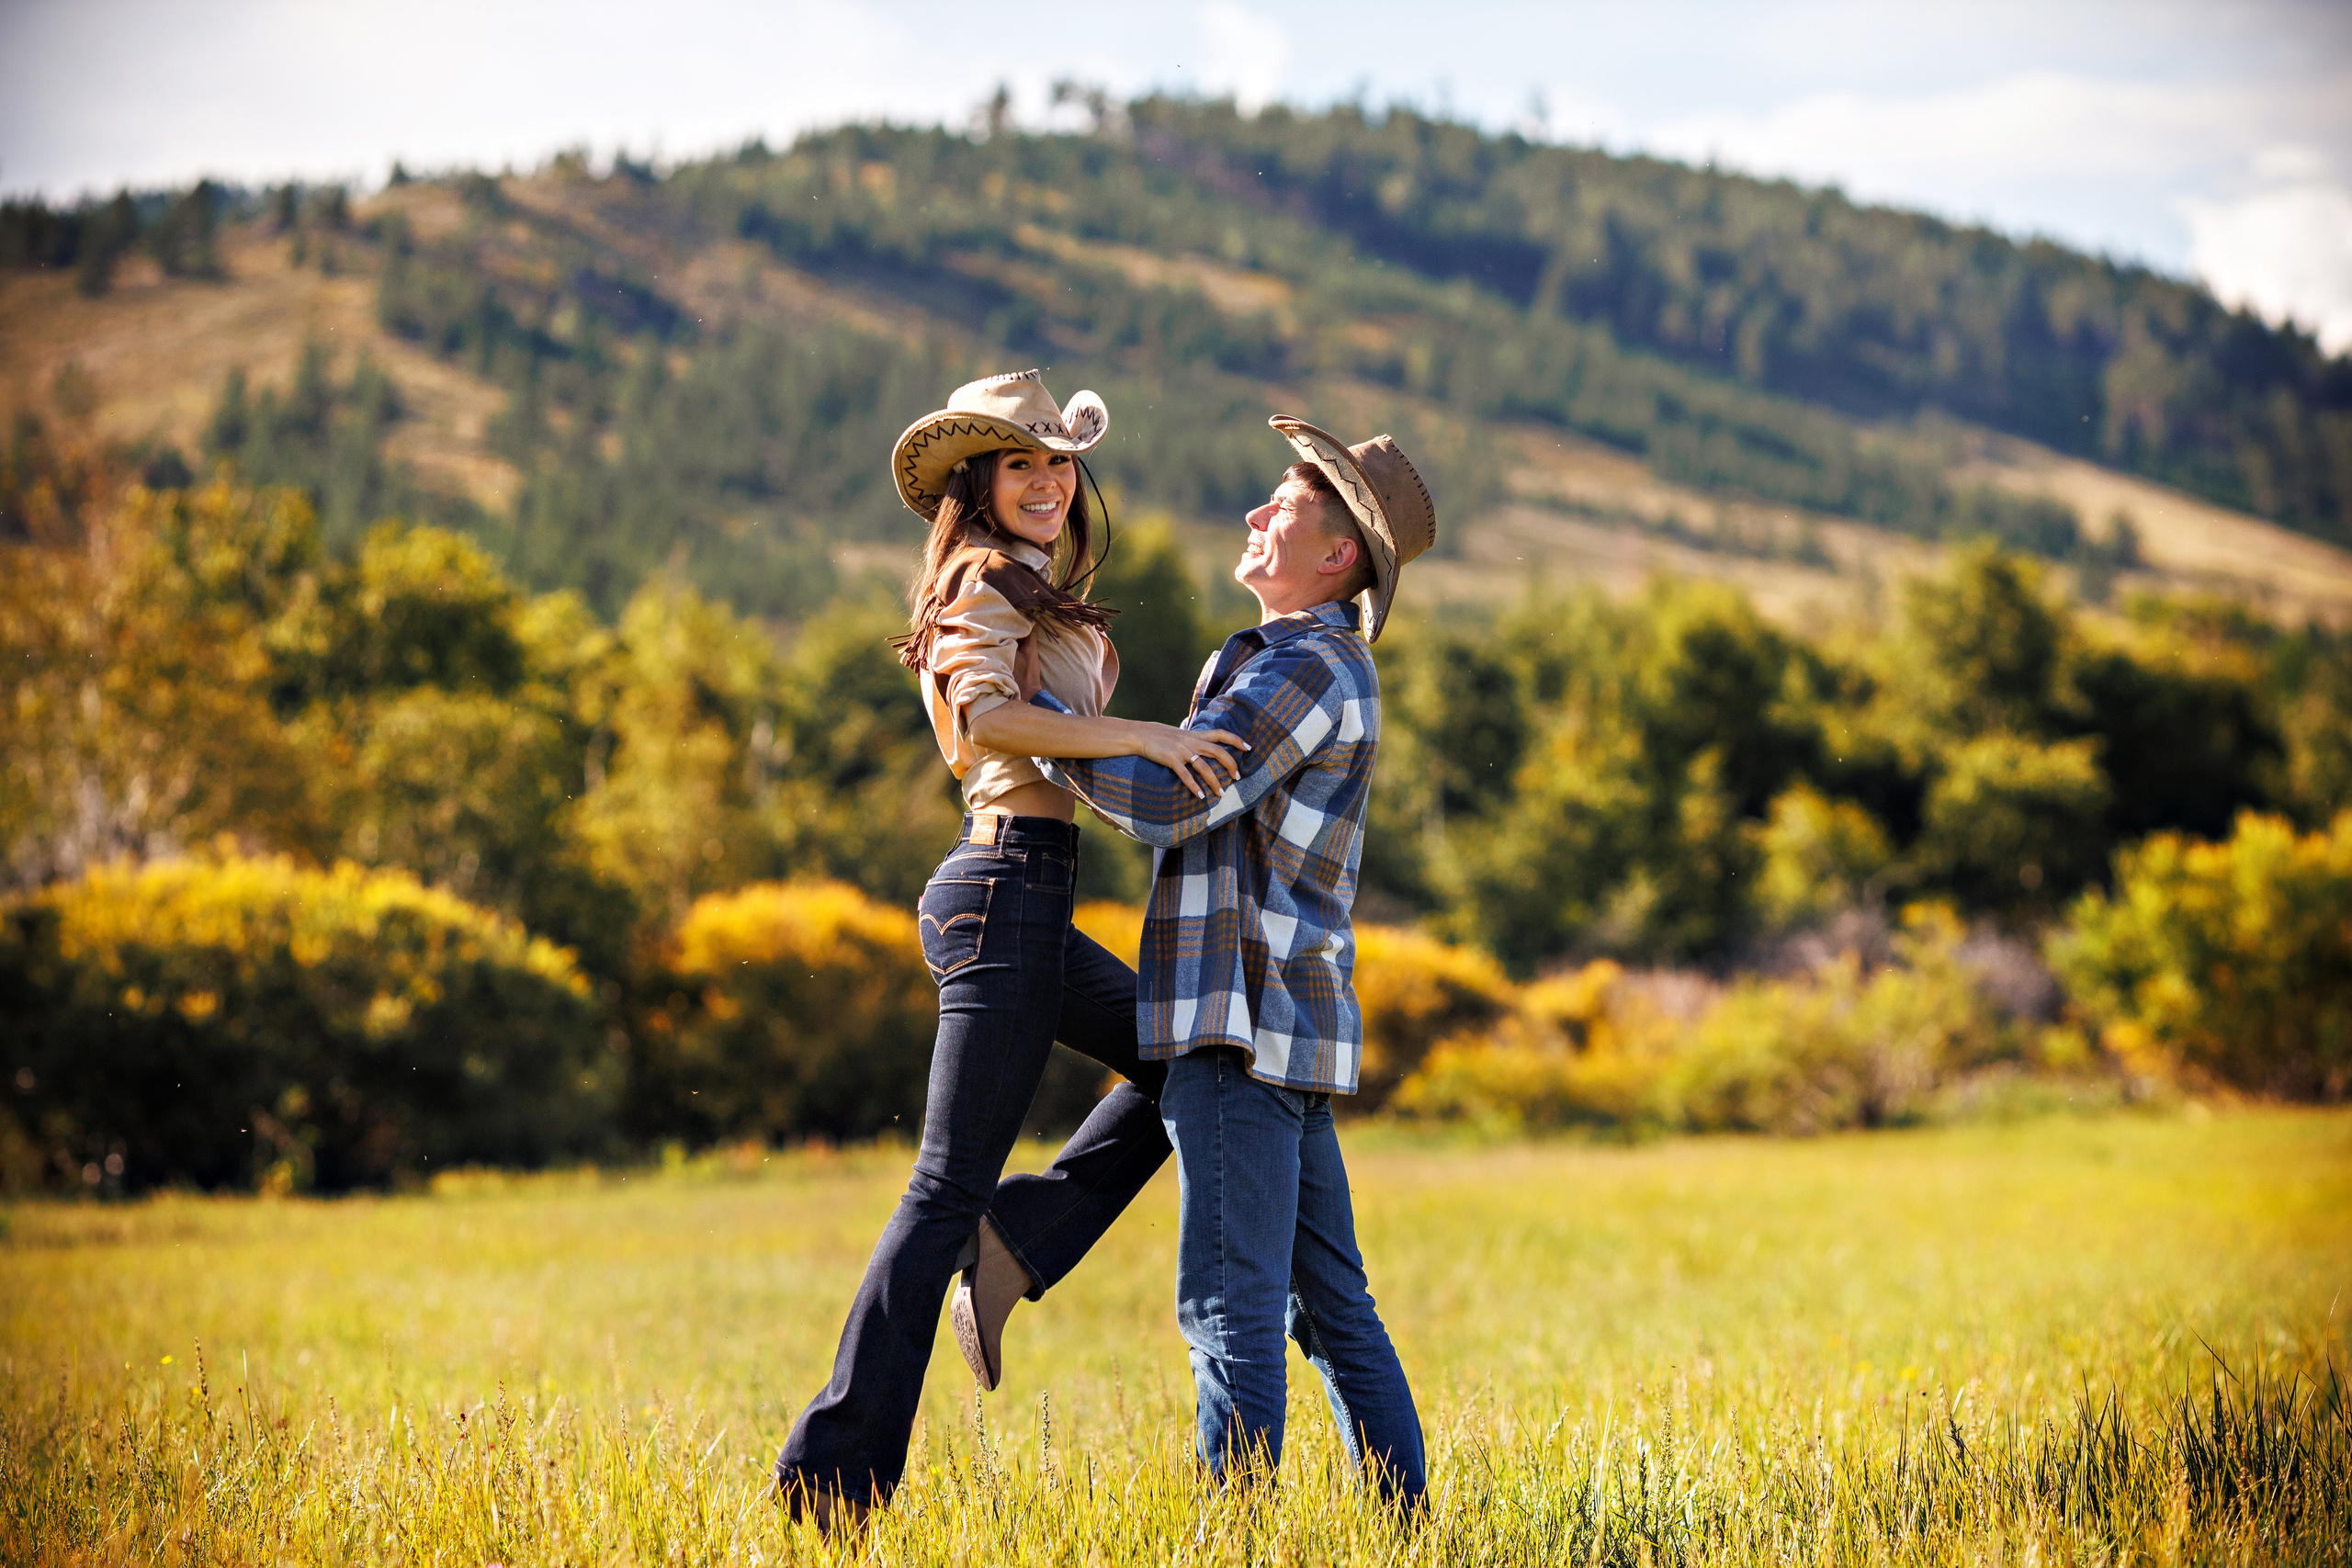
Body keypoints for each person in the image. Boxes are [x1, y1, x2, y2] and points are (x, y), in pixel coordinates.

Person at [774, 369, 1243, 1530]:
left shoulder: (1035, 585)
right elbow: (985, 717)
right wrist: (1139, 733)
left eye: (1058, 462)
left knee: (1192, 1064)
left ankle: (1015, 1245)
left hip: (1027, 893)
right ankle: (828, 1484)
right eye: (1020, 463)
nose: (1046, 481)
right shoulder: (983, 577)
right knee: (940, 1191)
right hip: (1000, 891)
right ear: (978, 485)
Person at [1024, 414, 1438, 1508]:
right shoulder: (1291, 660)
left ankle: (1238, 1536)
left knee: (1227, 1305)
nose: (1255, 515)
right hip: (1278, 1025)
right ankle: (1407, 1526)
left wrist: (1033, 731)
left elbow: (1168, 801)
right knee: (1328, 1310)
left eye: (1283, 507)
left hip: (1240, 1024)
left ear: (1337, 555)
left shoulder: (1305, 665)